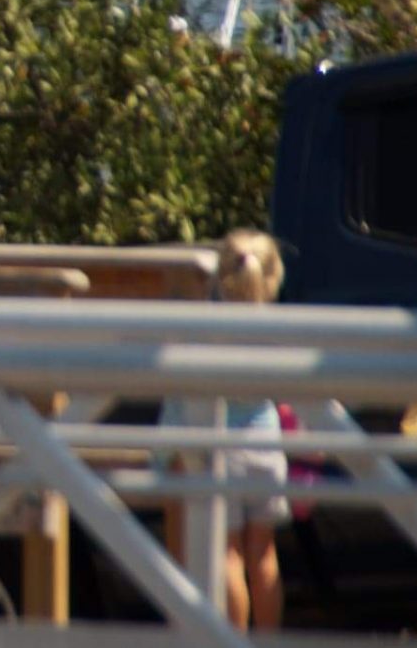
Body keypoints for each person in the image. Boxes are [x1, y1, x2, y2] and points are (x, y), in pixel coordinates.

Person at [161, 230, 287, 631]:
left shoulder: (207, 328)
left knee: (226, 556)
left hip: (224, 451)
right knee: (264, 556)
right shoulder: (279, 328)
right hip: (266, 445)